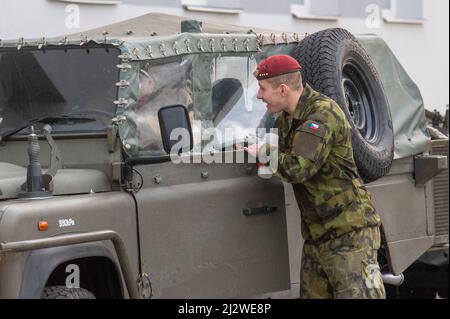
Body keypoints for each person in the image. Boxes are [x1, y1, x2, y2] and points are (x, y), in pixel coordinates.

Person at [244, 55, 386, 299]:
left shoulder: (321, 115)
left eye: (262, 89)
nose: (259, 96)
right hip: (318, 235)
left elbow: (299, 167)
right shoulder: (285, 120)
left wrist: (265, 152)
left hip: (349, 233)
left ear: (283, 89)